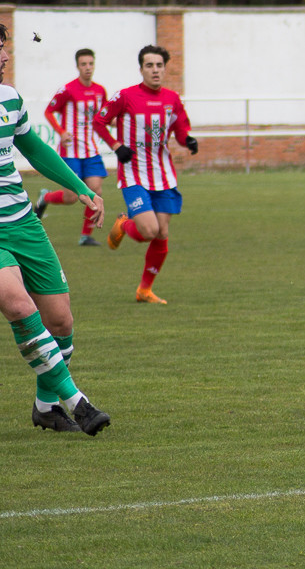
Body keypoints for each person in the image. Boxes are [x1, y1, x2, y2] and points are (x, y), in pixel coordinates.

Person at [0, 24, 110, 435]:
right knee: (19, 306)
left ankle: (46, 407)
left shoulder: (9, 98)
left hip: (24, 223)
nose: (5, 56)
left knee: (61, 322)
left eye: (4, 47)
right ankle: (78, 402)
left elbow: (34, 148)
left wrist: (81, 189)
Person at [93, 45, 198, 306]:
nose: (155, 70)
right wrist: (117, 146)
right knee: (149, 230)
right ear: (141, 69)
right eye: (149, 65)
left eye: (159, 65)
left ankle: (144, 290)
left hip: (163, 175)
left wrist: (188, 140)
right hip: (134, 175)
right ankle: (123, 224)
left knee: (161, 233)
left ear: (165, 69)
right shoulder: (126, 96)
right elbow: (99, 121)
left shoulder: (172, 99)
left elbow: (180, 129)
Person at [34, 49, 109, 246]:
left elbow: (104, 115)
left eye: (90, 64)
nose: (87, 68)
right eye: (83, 64)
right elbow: (49, 111)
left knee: (95, 189)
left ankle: (85, 235)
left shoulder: (100, 91)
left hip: (91, 150)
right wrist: (61, 132)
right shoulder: (67, 90)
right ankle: (45, 197)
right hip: (71, 150)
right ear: (77, 66)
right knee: (71, 197)